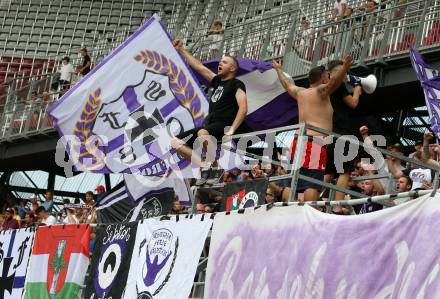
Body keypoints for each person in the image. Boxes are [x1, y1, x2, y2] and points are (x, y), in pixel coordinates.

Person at [272, 55, 352, 202]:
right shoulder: (321, 91)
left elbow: (287, 84)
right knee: (312, 182)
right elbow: (333, 84)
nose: (328, 79)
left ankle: (288, 211)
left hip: (298, 141)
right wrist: (345, 67)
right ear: (323, 79)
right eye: (327, 77)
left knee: (292, 180)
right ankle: (309, 211)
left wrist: (278, 70)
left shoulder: (300, 92)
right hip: (314, 142)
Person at [171, 39, 248, 168]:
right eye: (220, 61)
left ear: (232, 68)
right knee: (175, 142)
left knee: (202, 133)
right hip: (210, 125)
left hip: (224, 124)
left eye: (224, 62)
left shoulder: (237, 84)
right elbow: (199, 67)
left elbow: (243, 108)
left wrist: (232, 130)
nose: (220, 63)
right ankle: (204, 165)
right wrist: (181, 49)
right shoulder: (217, 81)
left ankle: (214, 165)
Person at [324, 60, 363, 210]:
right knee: (345, 171)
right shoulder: (338, 85)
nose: (346, 74)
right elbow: (353, 103)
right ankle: (336, 207)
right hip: (341, 132)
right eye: (344, 71)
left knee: (328, 173)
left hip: (328, 134)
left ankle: (314, 205)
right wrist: (357, 91)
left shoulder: (324, 87)